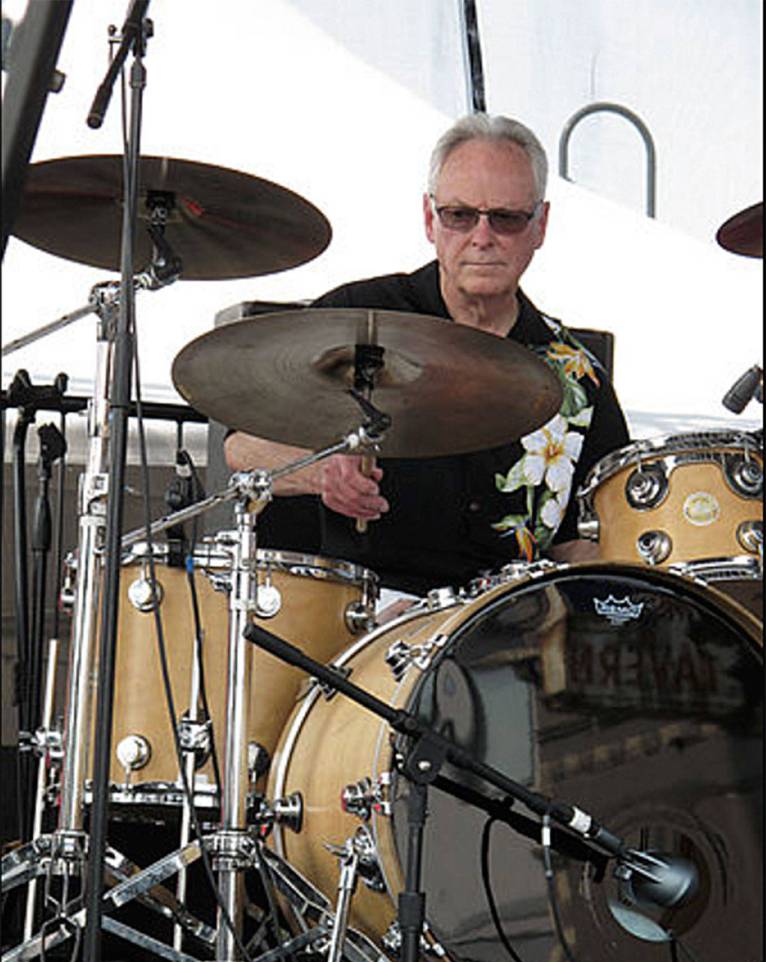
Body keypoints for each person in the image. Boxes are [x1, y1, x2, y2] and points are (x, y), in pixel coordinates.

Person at [225, 113, 630, 602]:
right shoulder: (357, 318)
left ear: (540, 226)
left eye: (505, 218)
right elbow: (240, 448)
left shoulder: (576, 376)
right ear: (428, 219)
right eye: (459, 215)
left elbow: (587, 541)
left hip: (499, 637)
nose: (482, 237)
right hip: (353, 621)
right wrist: (321, 471)